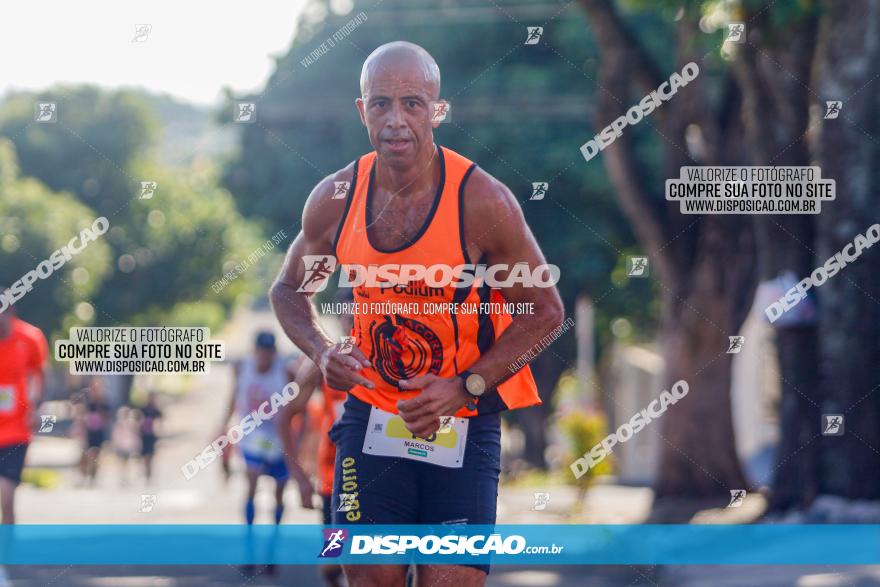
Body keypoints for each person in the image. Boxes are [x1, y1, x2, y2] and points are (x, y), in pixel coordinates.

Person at [269, 42, 564, 587]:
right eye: (380, 104)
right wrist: (322, 350)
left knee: (450, 580)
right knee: (370, 577)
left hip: (464, 421)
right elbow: (290, 290)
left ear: (438, 109)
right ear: (362, 111)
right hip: (371, 416)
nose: (396, 121)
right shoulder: (336, 199)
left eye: (412, 103)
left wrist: (466, 385)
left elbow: (544, 311)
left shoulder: (481, 201)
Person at [218, 331, 312, 575]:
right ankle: (249, 552)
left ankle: (271, 551)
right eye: (261, 351)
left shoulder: (286, 371)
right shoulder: (241, 368)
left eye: (269, 352)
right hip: (252, 439)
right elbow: (232, 401)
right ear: (255, 350)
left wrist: (300, 442)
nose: (264, 356)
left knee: (279, 496)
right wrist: (223, 433)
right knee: (251, 486)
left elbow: (302, 408)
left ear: (274, 352)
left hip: (279, 441)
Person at [279, 299, 353, 587]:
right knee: (333, 565)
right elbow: (285, 417)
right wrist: (298, 476)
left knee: (385, 566)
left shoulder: (394, 357)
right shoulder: (324, 360)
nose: (352, 324)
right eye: (347, 317)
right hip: (334, 479)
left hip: (384, 479)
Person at [0, 293, 49, 525]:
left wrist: (36, 406)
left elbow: (38, 375)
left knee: (6, 496)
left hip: (16, 431)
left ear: (10, 312)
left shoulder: (30, 338)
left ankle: (8, 554)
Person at [77, 377, 112, 486]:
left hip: (98, 433)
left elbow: (107, 417)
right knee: (84, 455)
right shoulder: (87, 401)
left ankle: (93, 478)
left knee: (96, 456)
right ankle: (83, 475)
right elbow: (80, 414)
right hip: (87, 433)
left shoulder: (104, 402)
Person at [111, 406, 140, 486]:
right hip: (121, 445)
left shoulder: (131, 423)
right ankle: (123, 478)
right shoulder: (119, 424)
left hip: (128, 446)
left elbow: (134, 436)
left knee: (126, 463)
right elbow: (116, 435)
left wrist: (135, 446)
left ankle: (126, 478)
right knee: (122, 463)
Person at [137, 392, 163, 483]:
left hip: (152, 436)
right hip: (144, 436)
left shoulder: (156, 411)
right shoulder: (143, 410)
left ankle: (149, 474)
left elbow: (160, 423)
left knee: (150, 456)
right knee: (144, 456)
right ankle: (145, 473)